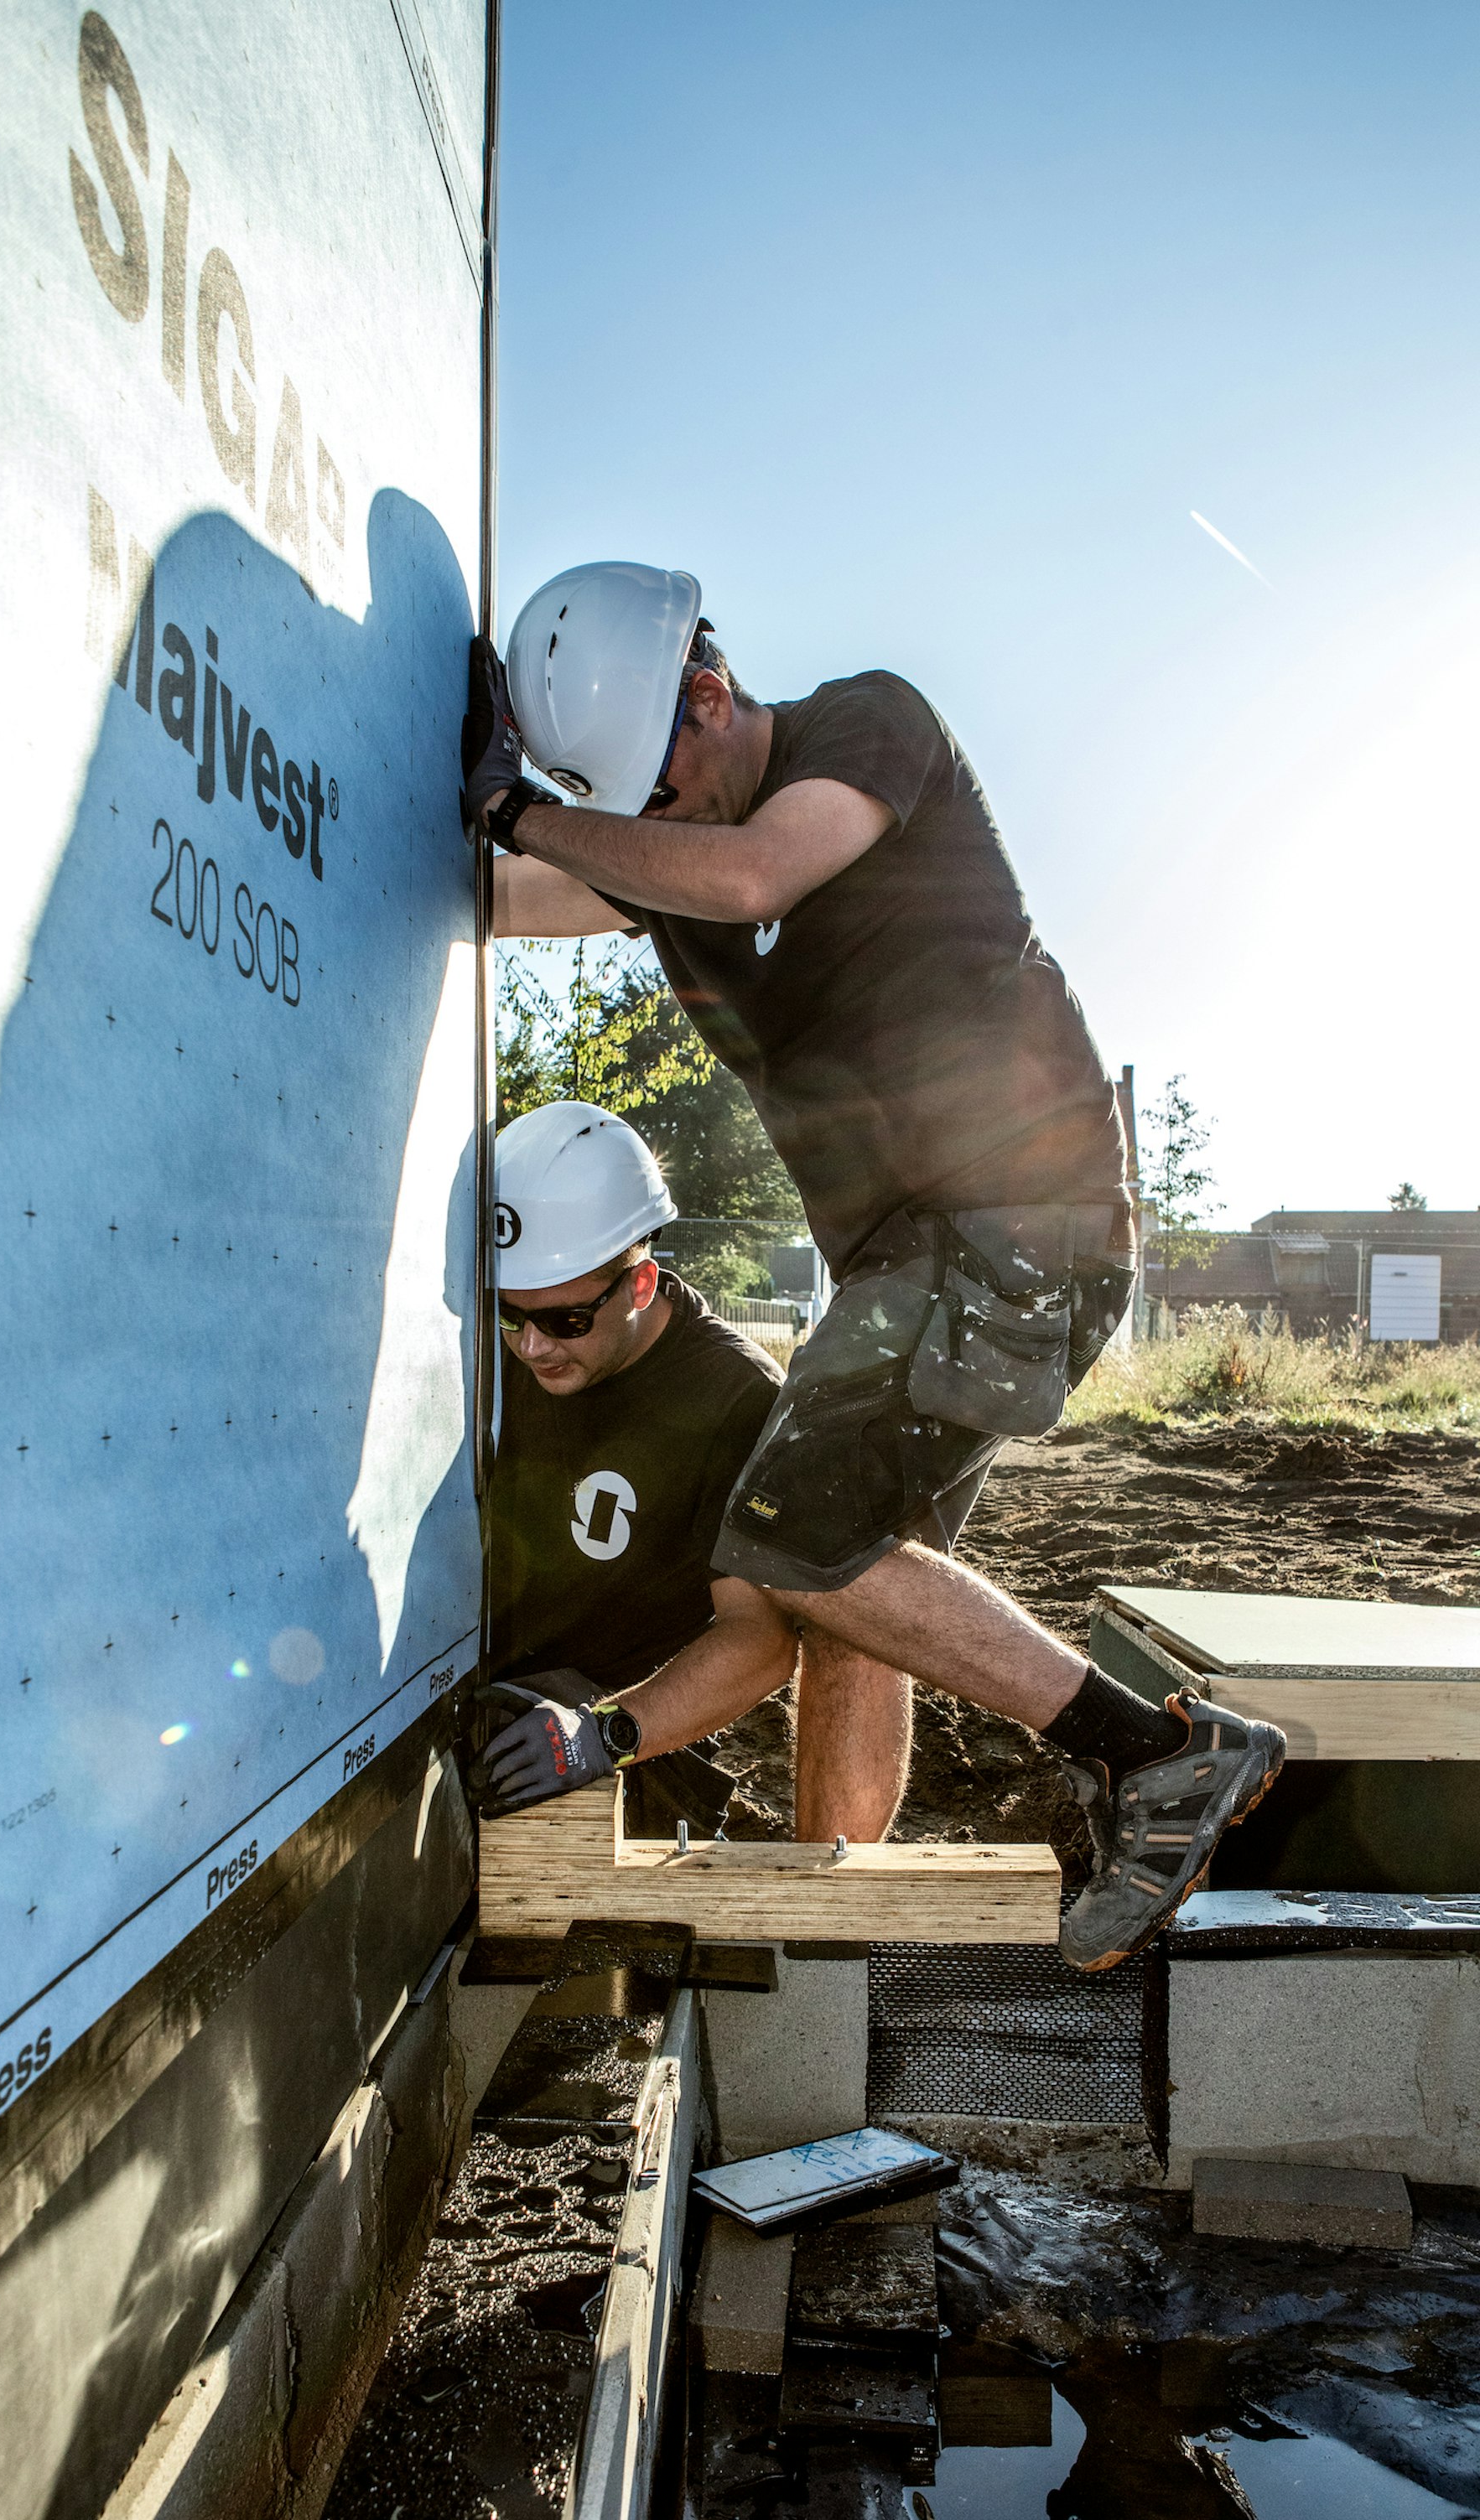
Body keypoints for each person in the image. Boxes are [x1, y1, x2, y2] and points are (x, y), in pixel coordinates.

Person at [461, 565, 1285, 1970]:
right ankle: (829, 1938)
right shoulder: (677, 857)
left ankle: (1153, 1752)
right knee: (851, 1590)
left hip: (1016, 1216)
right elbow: (515, 896)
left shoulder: (867, 731)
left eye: (645, 798)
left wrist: (525, 807)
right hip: (919, 1256)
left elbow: (751, 868)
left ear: (707, 699)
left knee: (782, 1536)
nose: (636, 837)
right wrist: (428, 805)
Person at [475, 1097, 912, 1842]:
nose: (533, 1349)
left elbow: (763, 1639)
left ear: (640, 1284)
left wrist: (603, 1734)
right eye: (510, 1315)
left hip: (623, 1732)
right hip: (500, 1691)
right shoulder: (499, 1349)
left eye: (566, 1321)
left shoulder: (735, 1402)